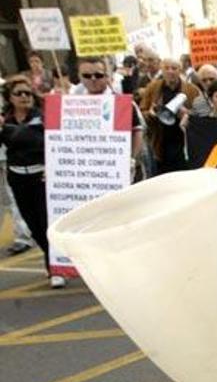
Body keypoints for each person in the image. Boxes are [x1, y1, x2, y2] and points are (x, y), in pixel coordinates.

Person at [0, 76, 64, 288]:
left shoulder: (41, 117)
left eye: (28, 93)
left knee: (46, 223)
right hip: (18, 178)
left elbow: (51, 140)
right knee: (33, 226)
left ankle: (54, 268)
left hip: (41, 177)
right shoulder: (5, 120)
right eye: (19, 93)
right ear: (10, 98)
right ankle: (51, 257)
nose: (25, 97)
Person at [77, 57, 147, 181]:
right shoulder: (73, 105)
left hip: (118, 171)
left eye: (98, 75)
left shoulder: (122, 103)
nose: (93, 79)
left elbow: (137, 131)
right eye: (87, 75)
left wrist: (132, 158)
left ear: (107, 76)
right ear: (80, 77)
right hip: (87, 172)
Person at [140, 58, 200, 174]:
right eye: (166, 68)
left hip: (183, 143)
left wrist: (187, 114)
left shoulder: (192, 90)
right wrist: (151, 114)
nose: (170, 71)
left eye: (174, 68)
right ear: (161, 70)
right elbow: (141, 113)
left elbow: (202, 115)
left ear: (180, 70)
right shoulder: (153, 88)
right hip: (160, 143)